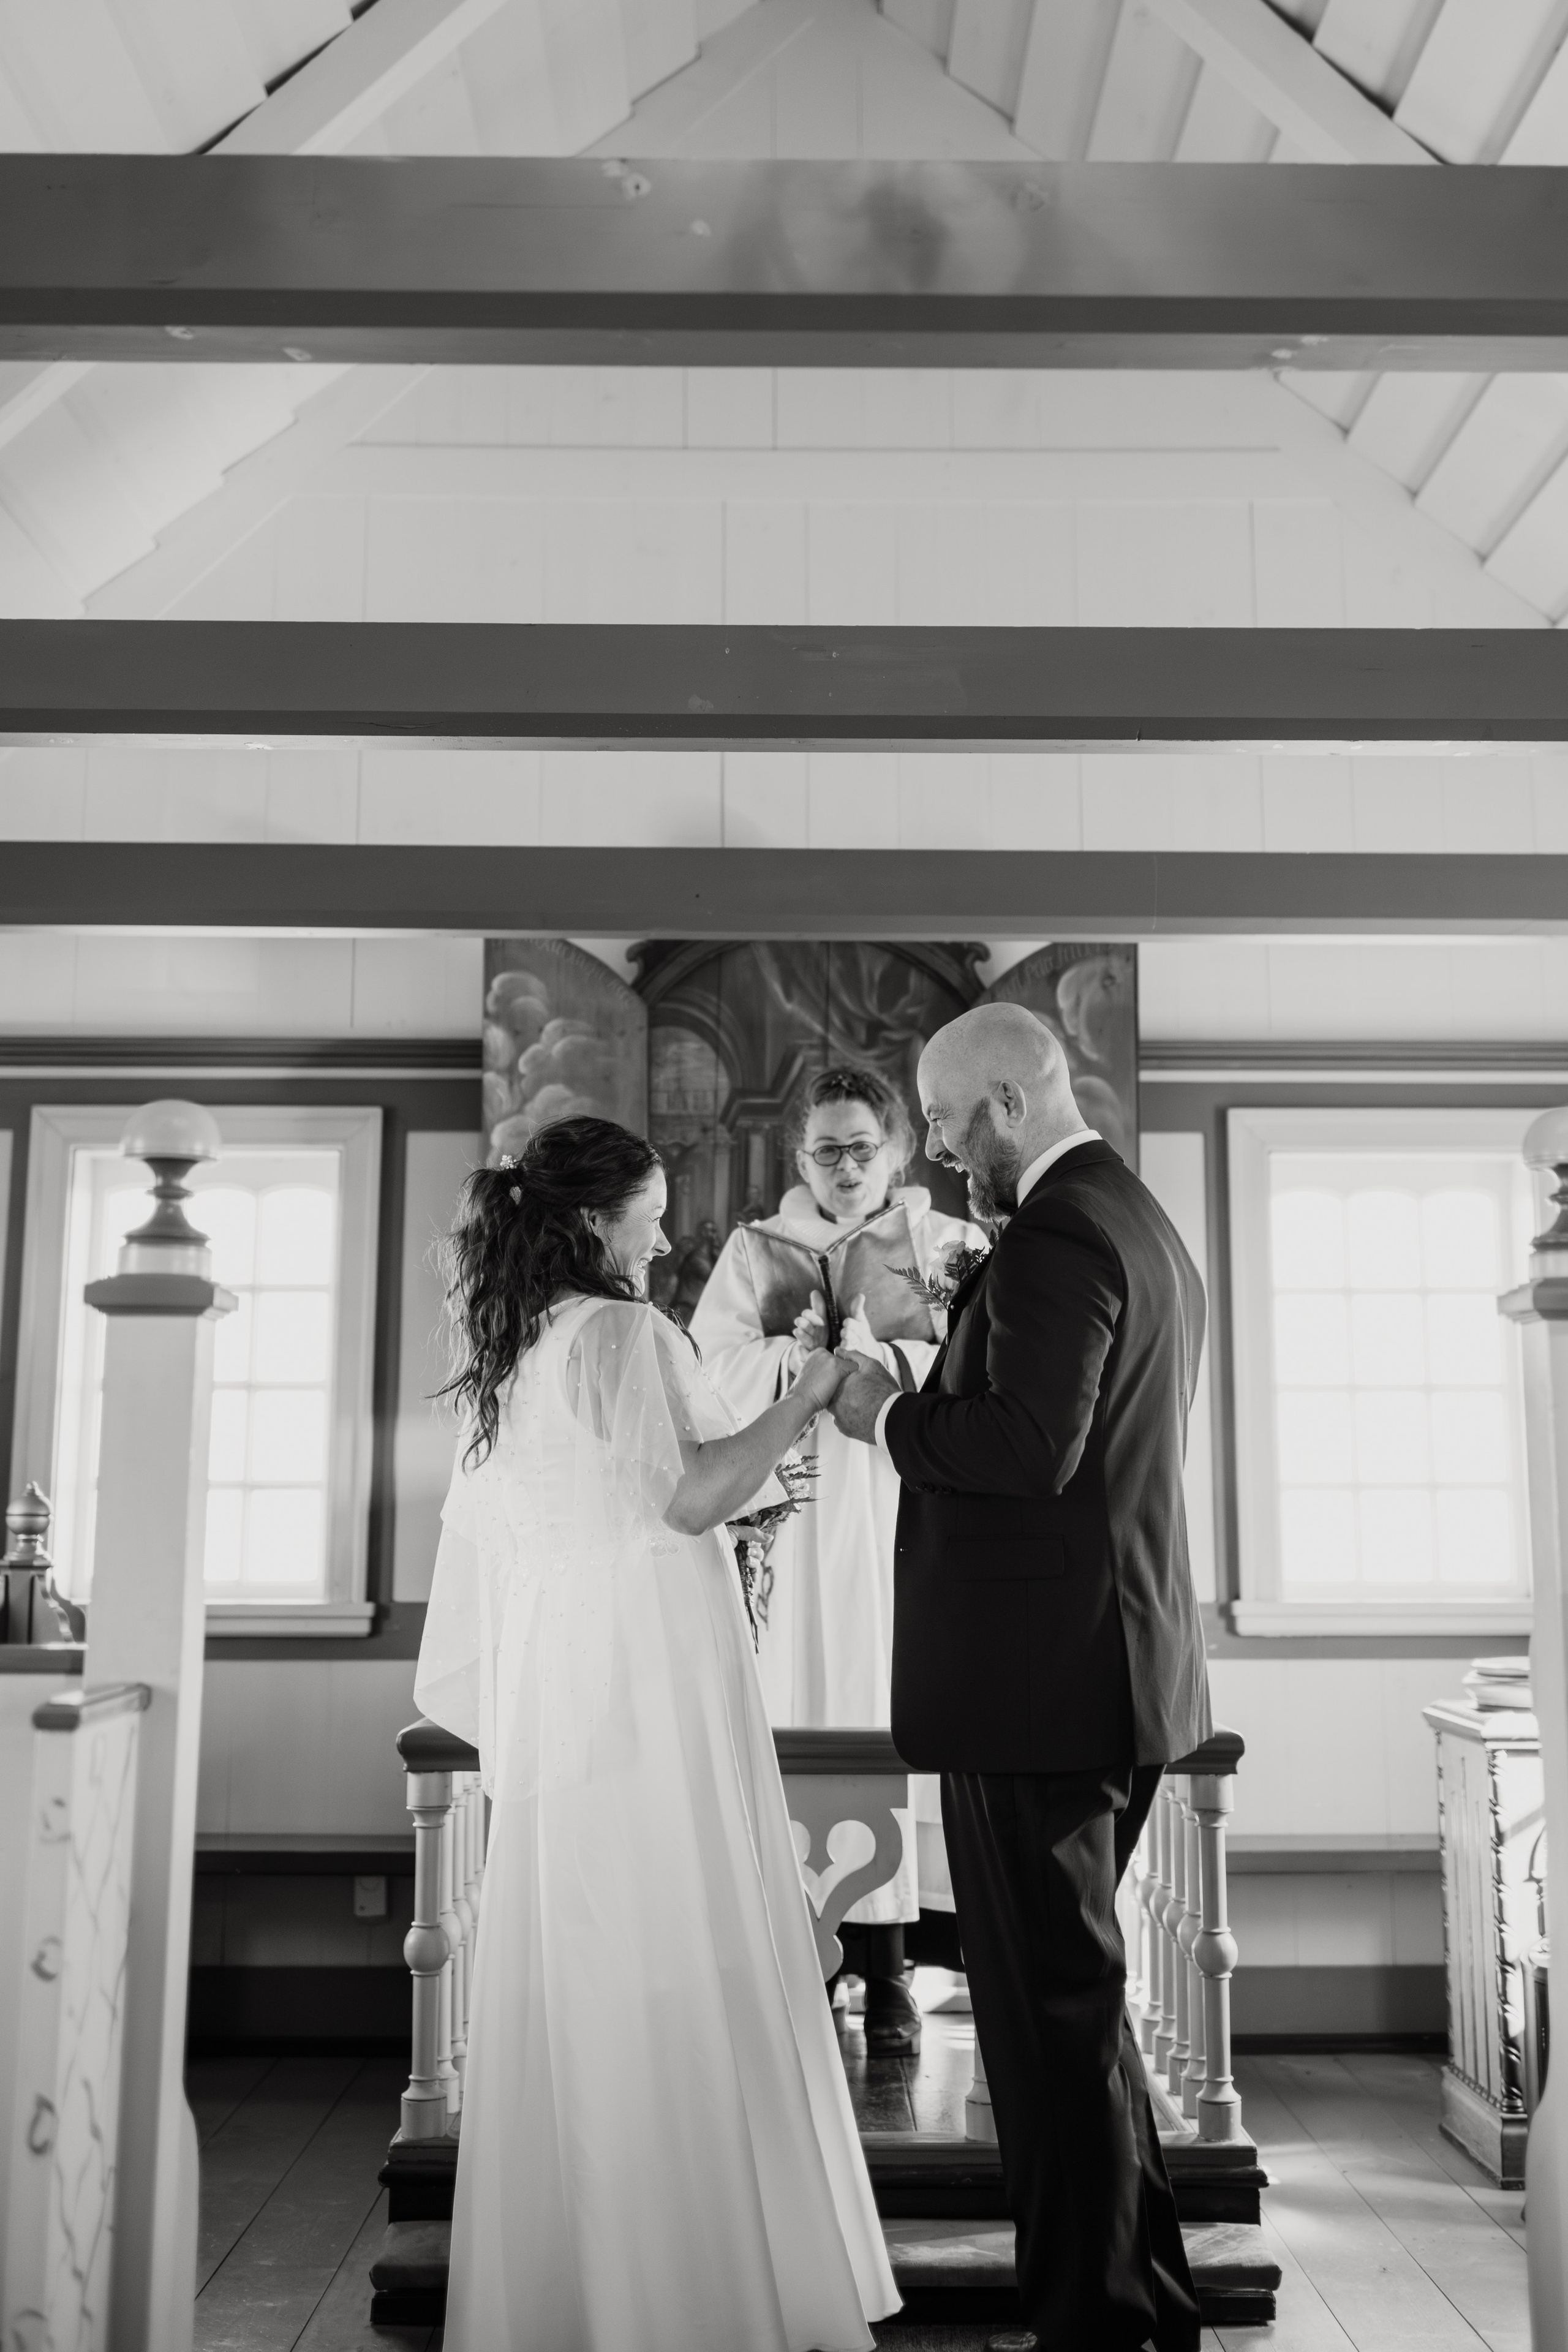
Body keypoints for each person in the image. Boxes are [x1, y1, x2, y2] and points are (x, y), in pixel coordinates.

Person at [415, 1115, 899, 2352]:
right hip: (644, 1689)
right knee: (674, 1954)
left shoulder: (518, 1346)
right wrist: (812, 1398)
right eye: (650, 1210)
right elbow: (685, 1497)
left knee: (595, 1967)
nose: (668, 1230)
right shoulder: (623, 1330)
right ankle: (690, 2293)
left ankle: (590, 2286)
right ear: (593, 1223)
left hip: (567, 1688)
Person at [831, 1004, 1210, 2352]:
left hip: (1040, 1692)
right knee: (1075, 2024)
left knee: (1044, 2035)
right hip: (1107, 1672)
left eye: (939, 1125)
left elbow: (1017, 1448)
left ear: (1002, 1102)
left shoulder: (1056, 1235)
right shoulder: (1135, 1220)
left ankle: (1088, 2330)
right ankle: (1142, 2307)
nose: (935, 1154)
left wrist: (880, 1412)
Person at [690, 1066, 986, 2054]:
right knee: (802, 1712)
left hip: (907, 1507)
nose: (848, 1168)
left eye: (865, 1148)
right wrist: (799, 1361)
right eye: (827, 1150)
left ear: (898, 1150)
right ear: (800, 1158)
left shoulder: (948, 1246)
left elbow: (979, 1369)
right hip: (797, 1520)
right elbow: (708, 1372)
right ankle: (805, 1961)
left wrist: (880, 1357)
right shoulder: (755, 1253)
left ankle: (898, 1965)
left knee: (897, 1710)